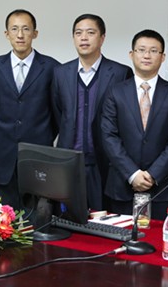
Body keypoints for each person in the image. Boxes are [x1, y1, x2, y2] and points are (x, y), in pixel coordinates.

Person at [100, 29, 168, 220]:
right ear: (131, 54)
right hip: (122, 184)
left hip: (163, 187)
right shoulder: (115, 92)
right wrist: (132, 174)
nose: (147, 55)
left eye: (153, 51)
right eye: (141, 50)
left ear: (163, 57)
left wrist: (153, 175)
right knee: (120, 235)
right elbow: (109, 136)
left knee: (161, 236)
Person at [51, 14, 133, 211]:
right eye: (78, 33)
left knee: (105, 218)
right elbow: (58, 113)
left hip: (105, 163)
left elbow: (125, 120)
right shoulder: (60, 73)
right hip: (69, 163)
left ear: (102, 38)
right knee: (68, 219)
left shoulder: (120, 73)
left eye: (90, 32)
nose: (84, 38)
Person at [0, 9, 60, 209]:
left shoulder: (52, 68)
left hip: (38, 154)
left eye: (26, 29)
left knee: (39, 217)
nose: (20, 35)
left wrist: (44, 136)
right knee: (4, 218)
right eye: (14, 29)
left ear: (35, 33)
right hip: (4, 156)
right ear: (6, 33)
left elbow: (57, 113)